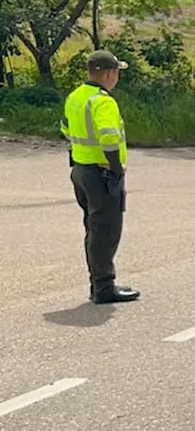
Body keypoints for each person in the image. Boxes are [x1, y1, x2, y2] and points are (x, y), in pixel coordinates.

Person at [62, 50, 139, 304]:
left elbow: (65, 128)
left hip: (81, 171)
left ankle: (98, 283)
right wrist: (116, 169)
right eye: (117, 72)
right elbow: (108, 137)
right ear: (109, 73)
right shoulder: (103, 101)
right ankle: (104, 287)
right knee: (106, 231)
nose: (117, 77)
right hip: (102, 173)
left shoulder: (76, 97)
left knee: (93, 229)